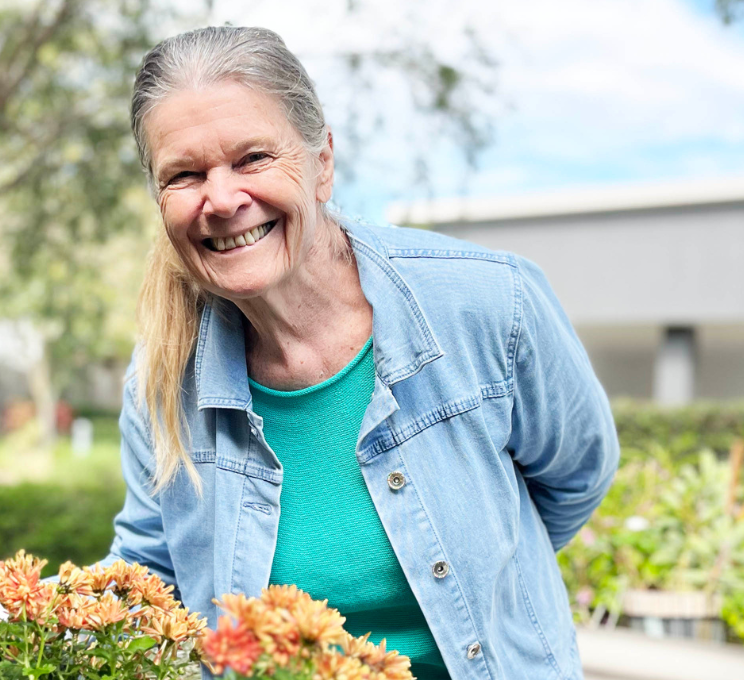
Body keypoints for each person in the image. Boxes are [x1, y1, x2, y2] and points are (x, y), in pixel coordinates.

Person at [108, 25, 620, 679]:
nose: (223, 199)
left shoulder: (491, 303)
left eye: (253, 159)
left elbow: (577, 478)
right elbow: (152, 565)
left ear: (321, 162)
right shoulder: (161, 377)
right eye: (185, 174)